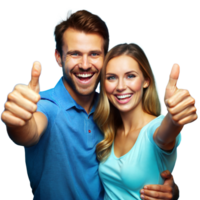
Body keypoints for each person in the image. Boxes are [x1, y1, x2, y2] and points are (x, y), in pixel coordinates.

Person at [0, 8, 180, 200]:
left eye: (94, 54)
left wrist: (171, 188)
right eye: (75, 54)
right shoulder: (47, 106)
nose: (85, 64)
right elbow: (29, 131)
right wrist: (17, 122)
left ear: (105, 58)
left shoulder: (114, 106)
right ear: (58, 57)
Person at [93, 42, 198, 199]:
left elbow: (165, 134)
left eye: (130, 76)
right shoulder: (109, 130)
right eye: (111, 77)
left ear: (146, 80)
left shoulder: (155, 127)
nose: (120, 86)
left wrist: (173, 117)